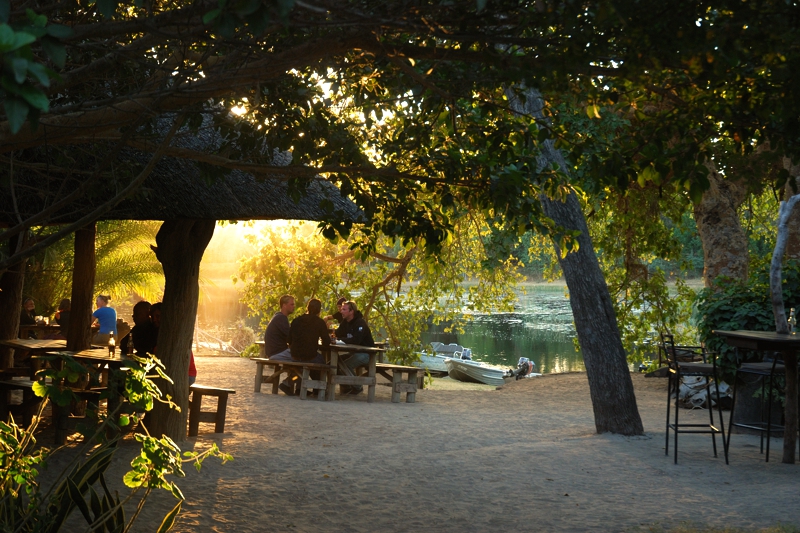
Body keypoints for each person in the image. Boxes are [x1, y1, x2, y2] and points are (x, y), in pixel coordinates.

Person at [149, 302, 197, 385]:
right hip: (173, 372)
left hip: (186, 375)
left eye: (158, 316)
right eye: (152, 317)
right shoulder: (159, 332)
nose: (154, 320)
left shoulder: (172, 332)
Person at [334, 300, 375, 395]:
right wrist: (334, 336)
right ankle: (346, 387)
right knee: (333, 362)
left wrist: (340, 339)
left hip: (367, 354)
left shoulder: (360, 323)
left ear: (351, 311)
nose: (341, 311)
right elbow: (337, 334)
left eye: (344, 309)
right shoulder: (345, 322)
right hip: (354, 352)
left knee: (345, 365)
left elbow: (356, 340)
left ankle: (357, 386)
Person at [264, 295, 296, 395]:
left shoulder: (278, 317)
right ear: (284, 305)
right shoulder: (281, 319)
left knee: (300, 363)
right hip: (277, 353)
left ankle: (294, 385)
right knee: (304, 359)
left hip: (274, 352)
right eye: (291, 304)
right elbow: (291, 338)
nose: (293, 306)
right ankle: (289, 382)